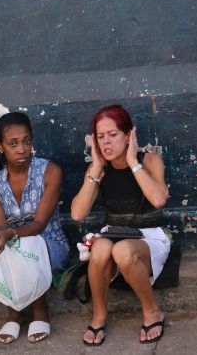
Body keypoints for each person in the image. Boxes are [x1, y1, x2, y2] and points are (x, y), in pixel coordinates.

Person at [70, 104, 170, 346]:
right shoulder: (99, 168)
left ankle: (151, 311)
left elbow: (158, 200)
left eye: (113, 135)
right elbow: (77, 213)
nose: (107, 143)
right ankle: (99, 315)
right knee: (103, 248)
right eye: (100, 137)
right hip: (112, 234)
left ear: (129, 135)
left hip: (148, 238)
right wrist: (95, 168)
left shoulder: (150, 160)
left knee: (122, 250)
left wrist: (133, 162)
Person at [0, 112, 69, 344]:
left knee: (25, 242)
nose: (22, 149)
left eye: (26, 141)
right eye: (13, 143)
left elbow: (39, 224)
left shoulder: (50, 172)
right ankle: (15, 309)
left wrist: (8, 235)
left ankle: (37, 310)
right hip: (12, 242)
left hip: (50, 245)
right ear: (0, 147)